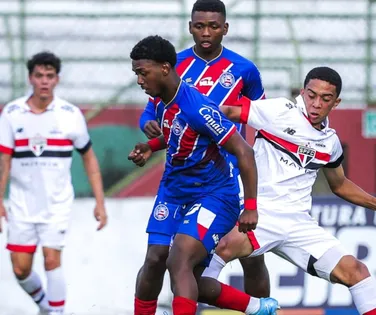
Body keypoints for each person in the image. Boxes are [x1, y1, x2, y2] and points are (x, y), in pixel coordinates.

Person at [200, 66, 376, 315]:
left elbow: (340, 185)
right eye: (311, 95)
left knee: (358, 272)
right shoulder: (279, 111)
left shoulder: (330, 143)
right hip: (260, 213)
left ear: (336, 103)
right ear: (302, 92)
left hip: (299, 225)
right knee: (213, 258)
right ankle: (196, 309)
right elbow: (225, 111)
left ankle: (257, 307)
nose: (316, 104)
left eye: (325, 99)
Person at [128, 35, 279, 315]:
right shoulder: (162, 99)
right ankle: (256, 307)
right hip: (173, 190)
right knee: (155, 259)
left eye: (142, 72)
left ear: (163, 68)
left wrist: (251, 207)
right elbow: (178, 133)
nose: (139, 80)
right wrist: (150, 146)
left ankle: (255, 304)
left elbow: (244, 152)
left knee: (180, 260)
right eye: (136, 73)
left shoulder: (199, 108)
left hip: (213, 194)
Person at [0, 51, 108, 315]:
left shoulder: (70, 114)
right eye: (39, 76)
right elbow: (4, 162)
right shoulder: (12, 113)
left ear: (57, 79)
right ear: (31, 78)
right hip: (21, 205)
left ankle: (56, 313)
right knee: (20, 269)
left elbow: (90, 159)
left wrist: (100, 202)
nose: (44, 81)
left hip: (57, 204)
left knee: (51, 260)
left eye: (50, 76)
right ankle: (47, 307)